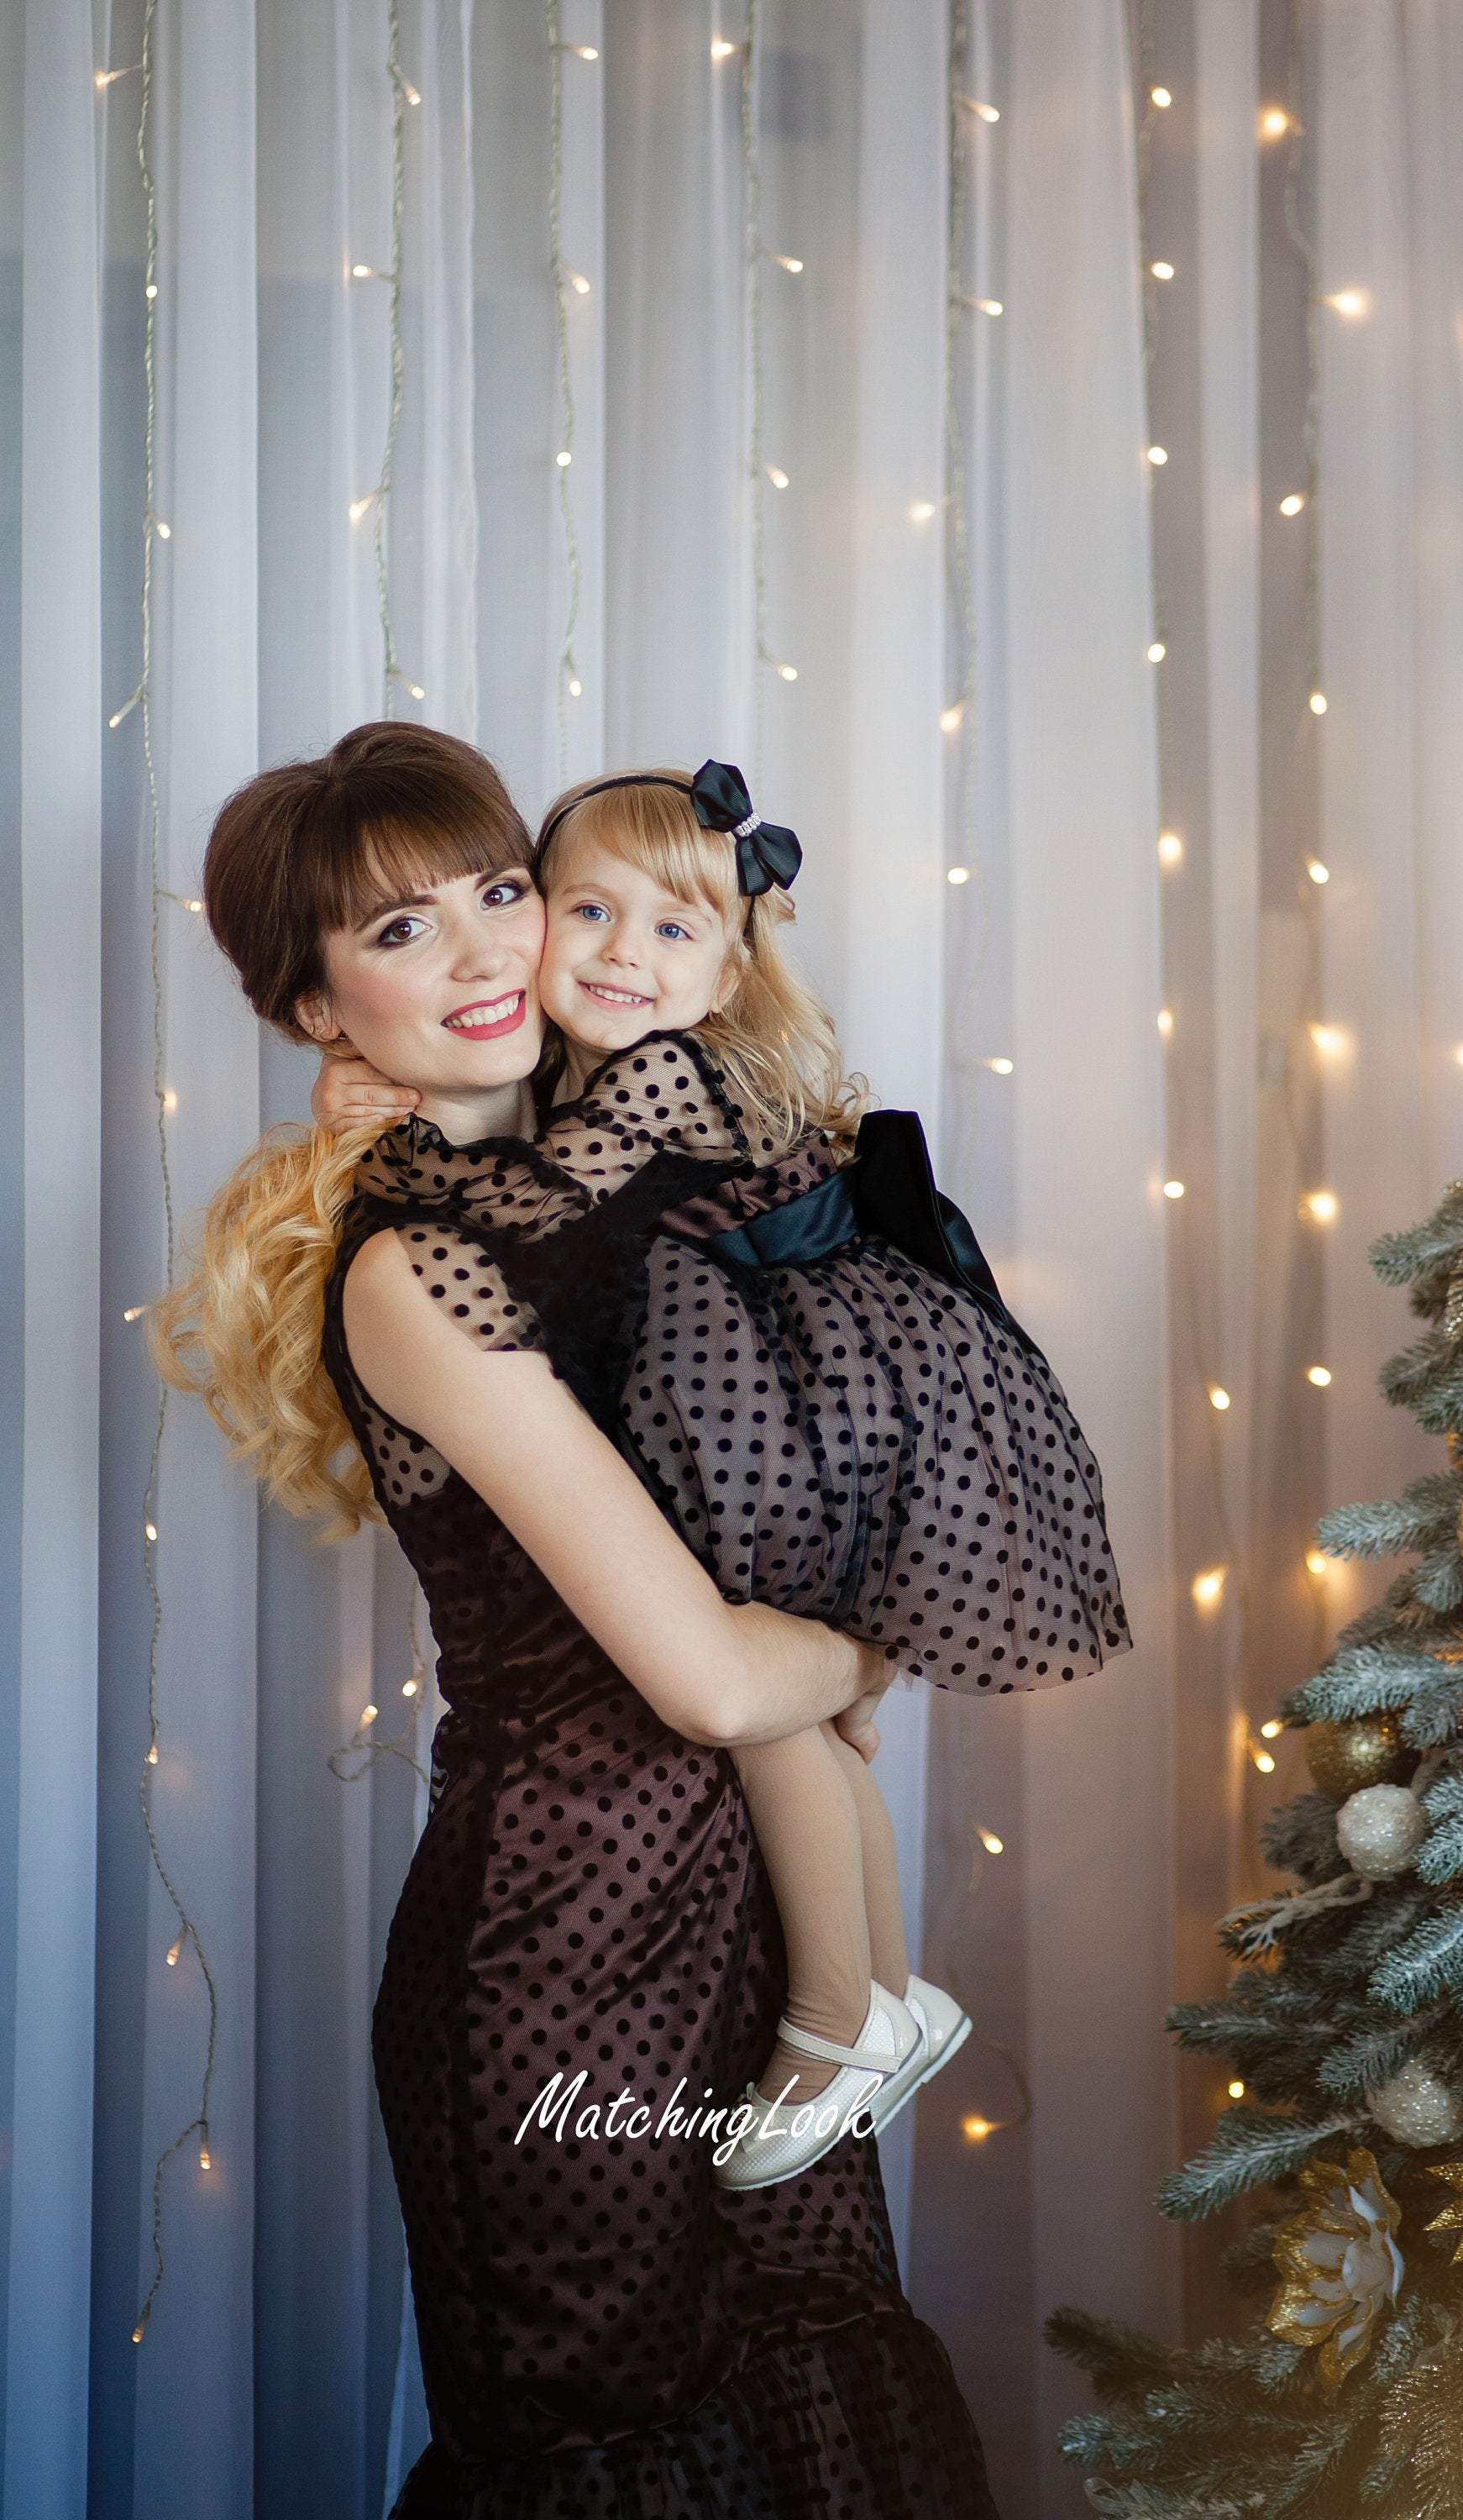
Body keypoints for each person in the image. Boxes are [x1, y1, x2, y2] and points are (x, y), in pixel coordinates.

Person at [155, 722, 1003, 2519]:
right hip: (566, 1957)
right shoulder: (415, 1272)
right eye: (399, 935)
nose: (484, 954)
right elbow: (706, 1675)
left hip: (751, 1925)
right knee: (625, 2447)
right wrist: (880, 1630)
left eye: (496, 891)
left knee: (806, 2400)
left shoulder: (595, 1170)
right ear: (314, 1007)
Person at [308, 752, 1134, 2191]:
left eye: (498, 897)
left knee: (777, 1712)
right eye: (585, 911)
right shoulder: (439, 1249)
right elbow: (728, 1677)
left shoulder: (643, 1093)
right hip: (581, 1902)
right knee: (783, 1716)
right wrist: (856, 1655)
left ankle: (843, 2009)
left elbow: (552, 1212)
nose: (606, 955)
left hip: (800, 1419)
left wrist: (418, 1152)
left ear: (735, 962)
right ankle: (873, 1996)